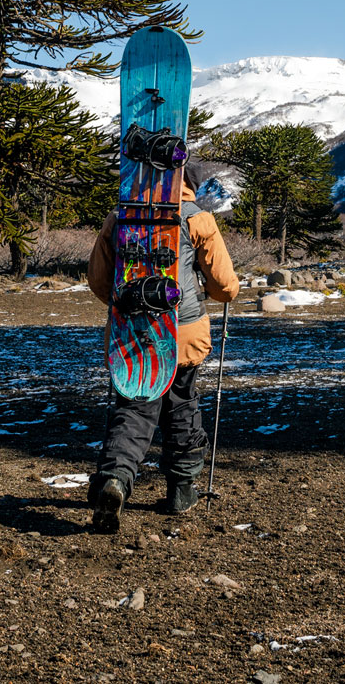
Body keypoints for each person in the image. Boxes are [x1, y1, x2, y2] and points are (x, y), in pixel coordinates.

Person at [85, 159, 239, 531]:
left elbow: (98, 279)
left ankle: (115, 480)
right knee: (182, 405)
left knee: (134, 408)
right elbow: (225, 286)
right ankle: (181, 490)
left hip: (132, 332)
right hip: (184, 330)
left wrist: (122, 307)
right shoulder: (197, 218)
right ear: (187, 184)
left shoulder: (119, 216)